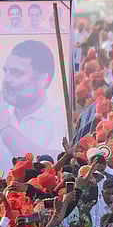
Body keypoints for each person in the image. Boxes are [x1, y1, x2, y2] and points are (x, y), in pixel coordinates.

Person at [0, 39, 67, 167]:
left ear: (43, 79)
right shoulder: (6, 113)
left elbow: (51, 165)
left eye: (16, 73)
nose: (6, 79)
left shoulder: (60, 119)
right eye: (5, 71)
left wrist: (5, 126)